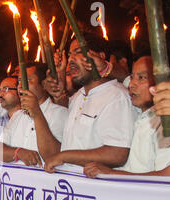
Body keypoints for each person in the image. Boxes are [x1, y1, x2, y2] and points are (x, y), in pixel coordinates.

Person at [44, 33, 137, 173]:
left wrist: (64, 156)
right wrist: (60, 74)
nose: (71, 60)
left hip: (96, 190)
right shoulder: (79, 96)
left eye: (78, 52)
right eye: (69, 55)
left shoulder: (117, 96)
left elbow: (117, 154)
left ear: (100, 57)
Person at [83, 56, 170, 177]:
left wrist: (112, 173)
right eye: (132, 77)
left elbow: (166, 180)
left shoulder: (165, 123)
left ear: (166, 83)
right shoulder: (143, 113)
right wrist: (106, 68)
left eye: (141, 78)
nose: (131, 84)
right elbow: (124, 79)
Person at [0, 63, 68, 167]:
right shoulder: (17, 116)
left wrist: (37, 113)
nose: (21, 86)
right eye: (19, 81)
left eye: (27, 80)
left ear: (44, 84)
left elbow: (53, 156)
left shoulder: (60, 113)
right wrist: (18, 152)